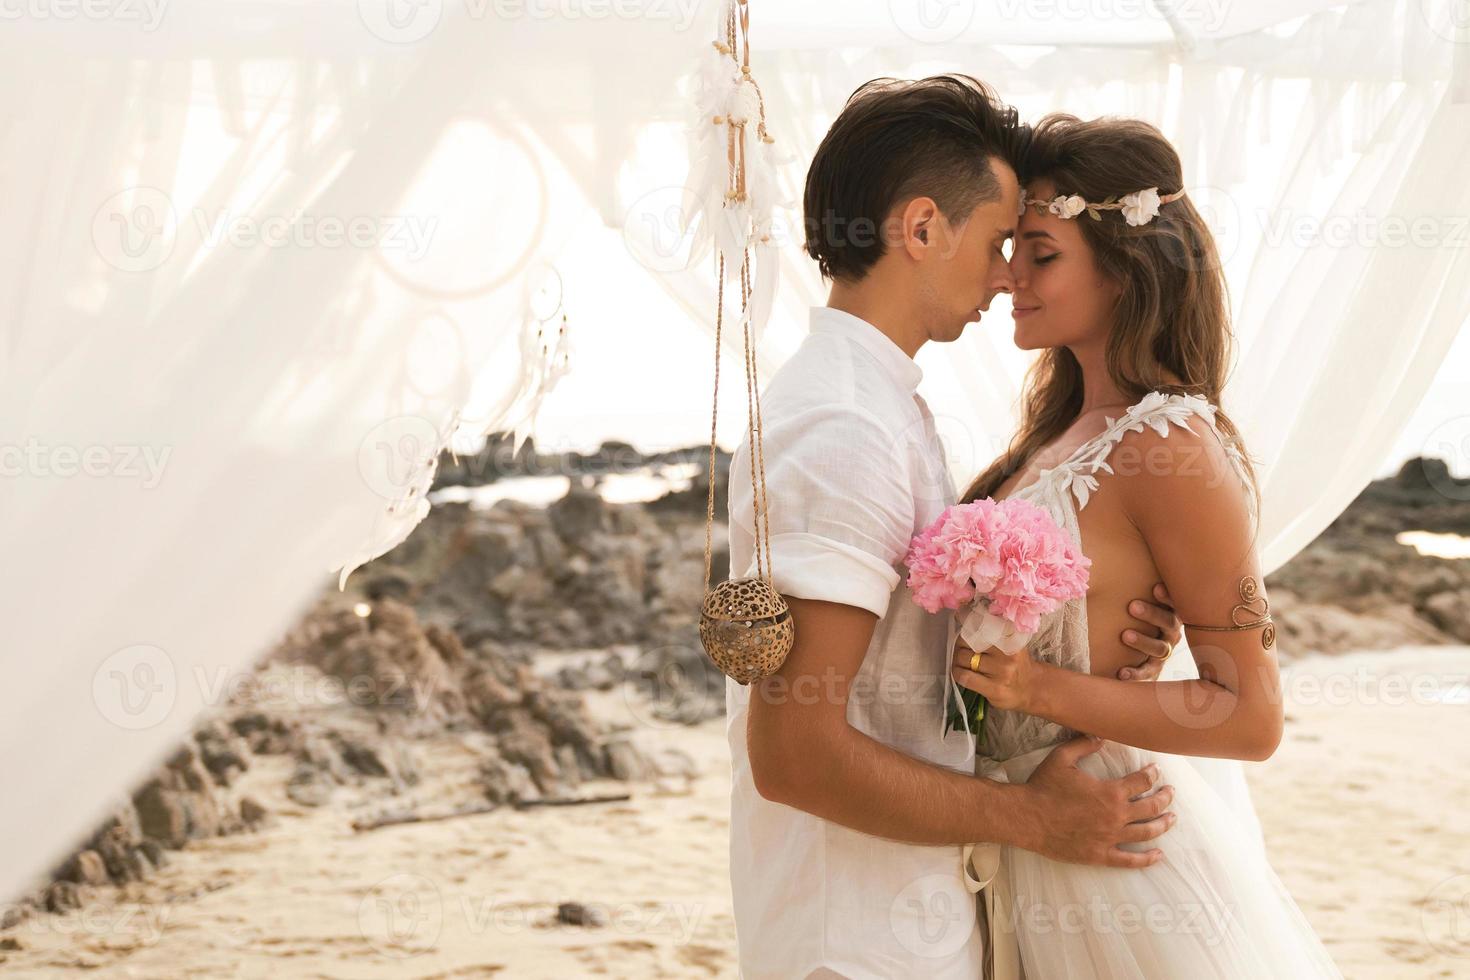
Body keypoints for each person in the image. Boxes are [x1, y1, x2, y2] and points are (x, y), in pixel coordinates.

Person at [724, 76, 1184, 980]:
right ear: (923, 228)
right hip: (853, 939)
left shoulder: (876, 405)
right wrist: (1041, 821)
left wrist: (1079, 635)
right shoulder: (845, 428)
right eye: (1000, 241)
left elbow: (910, 671)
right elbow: (797, 752)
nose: (1009, 274)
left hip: (891, 914)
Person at [949, 113, 1342, 977]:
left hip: (1110, 850)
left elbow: (1251, 714)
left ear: (1126, 270)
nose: (1012, 274)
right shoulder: (1046, 441)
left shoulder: (1174, 447)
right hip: (1015, 829)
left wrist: (1036, 684)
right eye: (1014, 248)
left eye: (1041, 253)